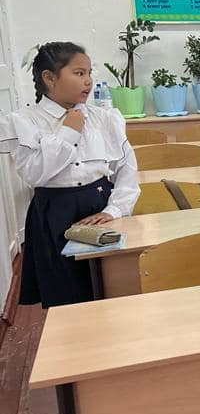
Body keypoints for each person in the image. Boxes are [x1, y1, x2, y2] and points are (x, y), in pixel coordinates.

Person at [0, 42, 139, 307]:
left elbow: (126, 169)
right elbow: (35, 174)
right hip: (55, 213)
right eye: (78, 73)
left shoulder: (103, 118)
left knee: (112, 286)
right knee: (67, 294)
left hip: (100, 208)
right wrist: (68, 132)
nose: (88, 81)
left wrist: (115, 209)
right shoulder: (26, 121)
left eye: (89, 73)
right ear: (49, 78)